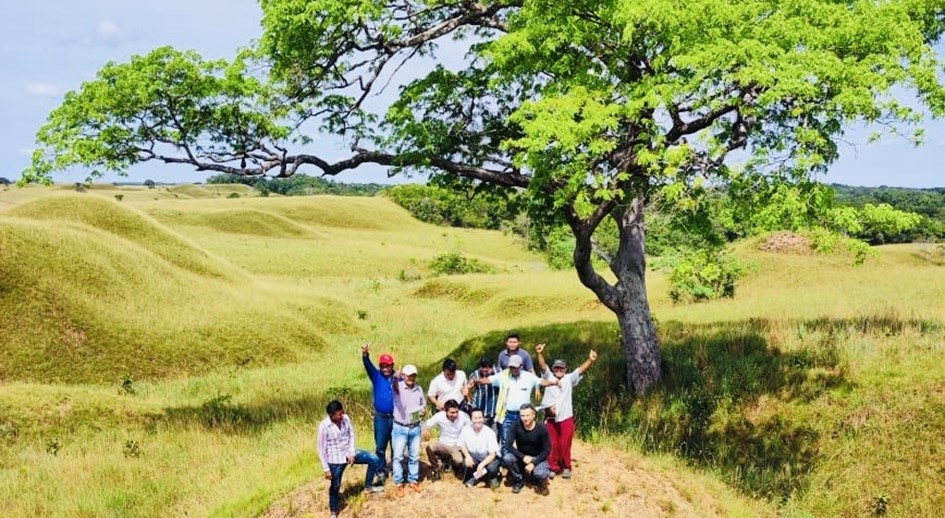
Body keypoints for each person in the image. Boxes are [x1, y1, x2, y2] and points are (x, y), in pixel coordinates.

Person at [535, 343, 598, 479]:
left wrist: (590, 360)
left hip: (566, 417)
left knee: (564, 443)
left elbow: (580, 370)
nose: (559, 370)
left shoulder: (569, 378)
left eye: (561, 368)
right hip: (550, 417)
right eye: (556, 368)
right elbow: (542, 366)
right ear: (553, 369)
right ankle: (553, 467)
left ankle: (566, 467)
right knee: (552, 443)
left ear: (565, 369)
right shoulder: (549, 377)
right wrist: (539, 353)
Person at [475, 354, 558, 455]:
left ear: (521, 366)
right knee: (505, 441)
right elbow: (488, 380)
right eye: (511, 367)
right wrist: (476, 381)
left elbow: (541, 382)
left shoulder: (528, 376)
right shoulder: (504, 376)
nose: (513, 369)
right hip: (507, 415)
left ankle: (522, 461)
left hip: (524, 416)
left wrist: (554, 383)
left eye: (515, 367)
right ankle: (506, 463)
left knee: (524, 440)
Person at [317, 400, 385, 518]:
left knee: (373, 459)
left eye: (342, 412)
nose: (341, 416)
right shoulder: (324, 426)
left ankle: (368, 486)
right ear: (331, 415)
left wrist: (352, 453)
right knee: (335, 485)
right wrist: (326, 468)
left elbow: (351, 435)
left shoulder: (346, 419)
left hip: (349, 452)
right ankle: (333, 510)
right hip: (335, 459)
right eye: (338, 414)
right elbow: (321, 448)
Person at [391, 364, 427, 496]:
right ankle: (399, 483)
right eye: (409, 375)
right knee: (398, 456)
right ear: (404, 376)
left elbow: (423, 405)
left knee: (414, 456)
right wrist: (396, 376)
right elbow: (394, 382)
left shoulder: (418, 389)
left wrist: (422, 412)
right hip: (400, 427)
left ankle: (413, 480)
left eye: (413, 375)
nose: (411, 378)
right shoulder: (398, 387)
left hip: (415, 427)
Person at [502, 403, 553, 495]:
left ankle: (540, 481)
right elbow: (508, 445)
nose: (525, 418)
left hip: (537, 458)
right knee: (507, 458)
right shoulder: (516, 425)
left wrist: (533, 463)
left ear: (533, 415)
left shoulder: (541, 429)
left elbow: (547, 449)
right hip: (522, 457)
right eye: (522, 415)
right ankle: (519, 479)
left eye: (528, 415)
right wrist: (522, 457)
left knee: (541, 474)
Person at [361, 343, 395, 476]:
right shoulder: (376, 376)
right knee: (380, 447)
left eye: (388, 366)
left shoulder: (397, 378)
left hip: (395, 417)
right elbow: (368, 366)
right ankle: (381, 470)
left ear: (392, 365)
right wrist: (365, 354)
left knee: (396, 446)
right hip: (381, 417)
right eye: (382, 366)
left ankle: (394, 468)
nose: (385, 368)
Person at [422, 398, 471, 480]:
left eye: (456, 412)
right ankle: (437, 467)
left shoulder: (463, 416)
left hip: (457, 445)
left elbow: (471, 429)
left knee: (458, 460)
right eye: (452, 413)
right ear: (446, 411)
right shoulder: (440, 416)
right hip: (444, 443)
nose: (454, 415)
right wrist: (425, 429)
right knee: (430, 447)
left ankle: (452, 466)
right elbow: (426, 424)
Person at [459, 408, 502, 489]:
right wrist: (467, 456)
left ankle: (492, 477)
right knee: (466, 462)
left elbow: (492, 455)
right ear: (471, 419)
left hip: (489, 458)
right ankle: (478, 477)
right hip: (475, 456)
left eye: (480, 418)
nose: (478, 420)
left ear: (483, 418)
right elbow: (462, 445)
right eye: (475, 418)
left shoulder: (489, 432)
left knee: (491, 468)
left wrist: (481, 465)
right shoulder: (466, 430)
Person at [462, 357, 499, 435]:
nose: (485, 373)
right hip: (481, 413)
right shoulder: (475, 374)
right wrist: (467, 395)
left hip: (495, 412)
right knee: (482, 437)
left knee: (494, 437)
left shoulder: (498, 373)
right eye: (483, 370)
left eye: (487, 371)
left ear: (492, 367)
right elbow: (468, 387)